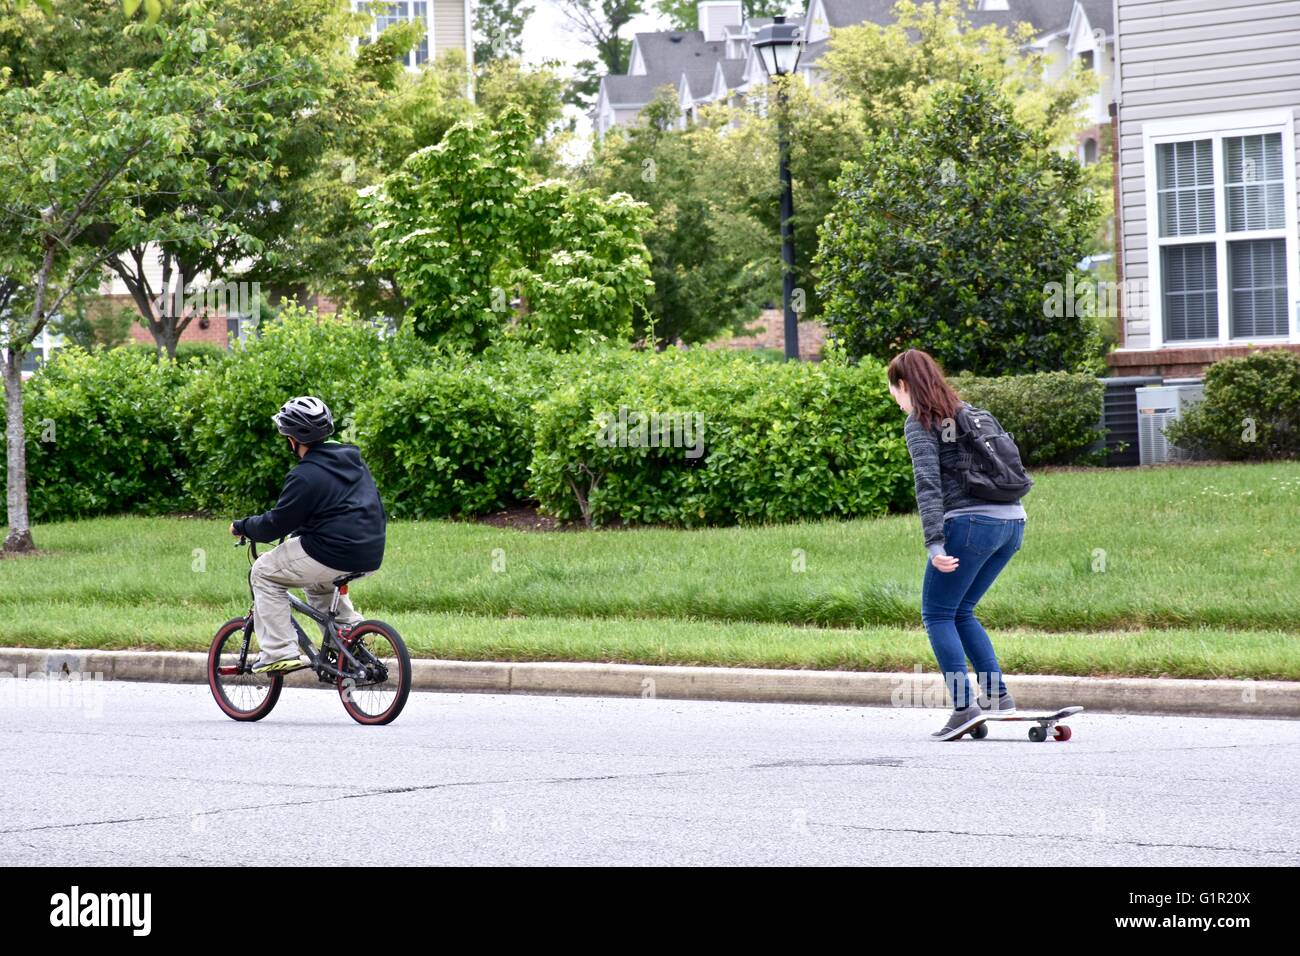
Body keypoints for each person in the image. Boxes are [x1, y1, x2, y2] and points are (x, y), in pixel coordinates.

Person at [887, 349, 1027, 740]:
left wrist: (934, 543)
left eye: (892, 390)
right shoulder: (974, 413)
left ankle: (965, 707)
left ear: (903, 386)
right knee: (962, 610)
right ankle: (998, 698)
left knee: (937, 614)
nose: (893, 399)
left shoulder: (921, 422)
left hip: (969, 525)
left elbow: (927, 484)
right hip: (1012, 522)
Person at [230, 396, 387, 674]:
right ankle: (350, 644)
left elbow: (275, 524)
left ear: (292, 440)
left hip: (330, 551)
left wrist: (243, 526)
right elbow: (340, 508)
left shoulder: (305, 475)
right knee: (318, 585)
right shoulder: (353, 462)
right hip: (370, 551)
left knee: (263, 572)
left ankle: (278, 652)